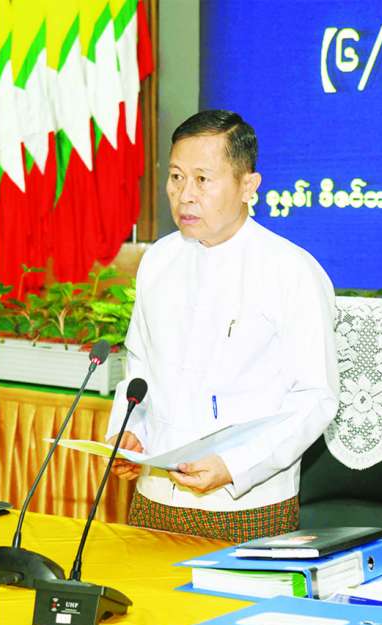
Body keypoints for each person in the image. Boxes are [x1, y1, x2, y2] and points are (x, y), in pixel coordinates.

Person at [108, 109, 338, 541]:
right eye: (176, 177)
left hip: (244, 503)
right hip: (154, 495)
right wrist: (130, 434)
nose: (184, 195)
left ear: (248, 185)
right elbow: (139, 368)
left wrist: (235, 464)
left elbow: (316, 396)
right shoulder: (158, 260)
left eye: (202, 179)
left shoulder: (291, 270)